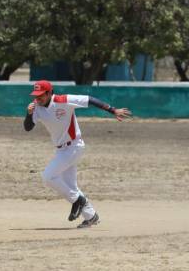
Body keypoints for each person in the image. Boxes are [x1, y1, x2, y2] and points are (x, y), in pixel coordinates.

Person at [23, 80, 132, 228]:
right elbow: (28, 127)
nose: (37, 98)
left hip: (74, 146)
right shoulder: (37, 107)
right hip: (61, 149)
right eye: (35, 95)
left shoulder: (63, 100)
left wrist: (113, 110)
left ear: (49, 93)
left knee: (48, 176)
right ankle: (91, 216)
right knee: (71, 187)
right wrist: (29, 114)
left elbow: (89, 100)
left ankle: (78, 201)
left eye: (41, 95)